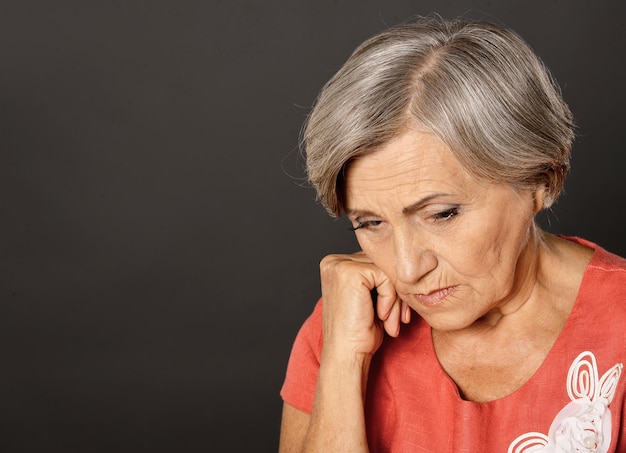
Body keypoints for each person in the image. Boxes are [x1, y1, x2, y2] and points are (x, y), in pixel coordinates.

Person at [278, 15, 626, 453]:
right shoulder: (345, 322)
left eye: (441, 214)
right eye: (370, 223)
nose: (407, 269)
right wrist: (343, 361)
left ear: (541, 179)